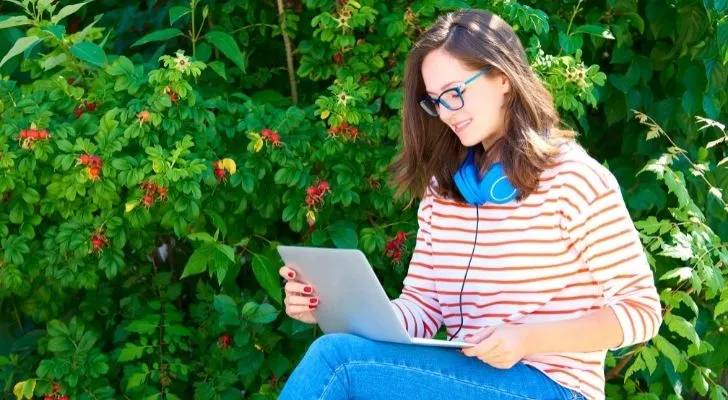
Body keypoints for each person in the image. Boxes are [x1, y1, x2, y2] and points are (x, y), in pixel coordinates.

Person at [277, 9, 662, 400]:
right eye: (435, 101)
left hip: (556, 388)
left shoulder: (575, 179)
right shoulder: (443, 191)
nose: (446, 113)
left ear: (504, 78)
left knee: (338, 362)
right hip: (472, 379)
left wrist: (527, 339)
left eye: (455, 93)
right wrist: (330, 310)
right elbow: (422, 310)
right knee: (341, 353)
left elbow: (642, 311)